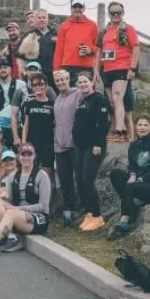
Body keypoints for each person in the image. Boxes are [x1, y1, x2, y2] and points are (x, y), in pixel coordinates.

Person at [0, 143, 52, 257]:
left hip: (38, 217)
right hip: (19, 215)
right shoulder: (14, 176)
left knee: (11, 213)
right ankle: (12, 237)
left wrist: (19, 208)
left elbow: (43, 206)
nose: (26, 158)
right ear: (19, 157)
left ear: (34, 156)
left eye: (29, 155)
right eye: (23, 155)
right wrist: (1, 194)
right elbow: (5, 193)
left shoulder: (41, 175)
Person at [108, 114, 150, 240]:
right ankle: (131, 207)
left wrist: (139, 179)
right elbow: (132, 166)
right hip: (139, 184)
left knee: (131, 186)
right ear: (136, 126)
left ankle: (124, 223)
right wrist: (132, 175)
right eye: (140, 125)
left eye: (146, 125)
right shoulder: (134, 145)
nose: (142, 127)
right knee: (116, 174)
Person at [95, 1, 140, 142]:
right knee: (112, 101)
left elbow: (136, 49)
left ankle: (119, 130)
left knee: (117, 96)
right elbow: (98, 50)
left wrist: (132, 68)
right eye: (113, 13)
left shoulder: (128, 29)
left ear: (123, 13)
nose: (115, 15)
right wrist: (96, 70)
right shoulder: (104, 31)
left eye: (118, 13)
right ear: (109, 14)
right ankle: (121, 130)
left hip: (122, 66)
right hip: (107, 69)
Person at [73, 72, 111, 232]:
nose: (83, 85)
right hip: (81, 147)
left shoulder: (99, 99)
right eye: (80, 83)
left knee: (88, 180)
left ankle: (97, 216)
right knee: (80, 181)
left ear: (92, 82)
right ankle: (89, 213)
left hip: (93, 147)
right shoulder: (83, 100)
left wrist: (98, 143)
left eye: (85, 82)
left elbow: (103, 123)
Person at [53, 69, 82, 226]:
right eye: (57, 81)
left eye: (63, 79)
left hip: (74, 144)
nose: (60, 83)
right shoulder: (57, 99)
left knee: (78, 177)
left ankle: (81, 209)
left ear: (69, 79)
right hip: (59, 145)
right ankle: (68, 209)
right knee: (64, 179)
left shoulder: (78, 94)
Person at [54, 0, 98, 86]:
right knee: (69, 95)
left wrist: (90, 50)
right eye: (75, 7)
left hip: (86, 67)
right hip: (67, 67)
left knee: (86, 95)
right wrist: (56, 70)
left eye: (80, 7)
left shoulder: (92, 25)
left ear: (84, 9)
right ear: (71, 9)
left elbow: (99, 47)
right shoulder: (64, 26)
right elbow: (59, 50)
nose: (77, 9)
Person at [21, 72, 55, 175]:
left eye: (41, 84)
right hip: (32, 143)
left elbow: (56, 125)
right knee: (31, 172)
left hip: (48, 144)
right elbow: (26, 125)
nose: (38, 87)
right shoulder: (29, 104)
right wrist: (24, 143)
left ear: (46, 85)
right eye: (35, 85)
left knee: (47, 172)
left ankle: (49, 191)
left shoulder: (52, 104)